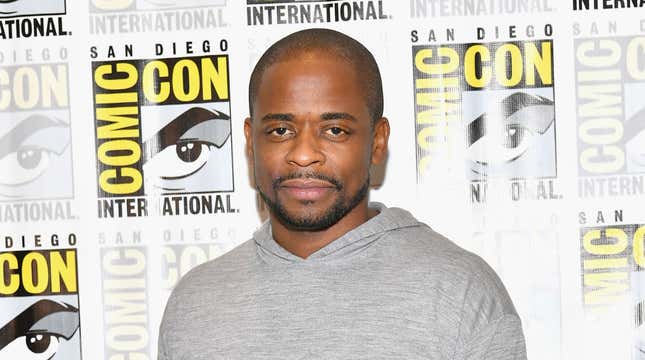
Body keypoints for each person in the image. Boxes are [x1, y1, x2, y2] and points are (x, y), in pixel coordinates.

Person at [158, 28, 527, 359]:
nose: (303, 154)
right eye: (280, 131)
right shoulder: (196, 302)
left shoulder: (459, 293)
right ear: (250, 143)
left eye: (334, 130)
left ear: (377, 142)